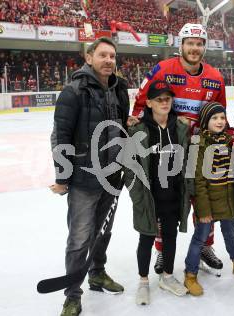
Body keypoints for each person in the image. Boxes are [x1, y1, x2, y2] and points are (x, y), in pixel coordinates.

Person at [129, 23, 226, 275]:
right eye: (190, 43)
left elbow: (220, 114)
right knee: (165, 202)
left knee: (204, 200)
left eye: (200, 43)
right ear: (181, 45)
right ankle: (162, 250)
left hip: (201, 151)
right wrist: (137, 128)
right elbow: (142, 100)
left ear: (204, 46)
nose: (195, 48)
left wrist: (230, 137)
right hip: (168, 150)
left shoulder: (215, 78)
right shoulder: (162, 69)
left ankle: (205, 246)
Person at [50, 37, 129, 316]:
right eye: (103, 55)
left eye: (113, 56)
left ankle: (97, 273)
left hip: (111, 176)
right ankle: (72, 294)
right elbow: (61, 138)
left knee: (102, 230)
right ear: (89, 57)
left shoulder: (120, 90)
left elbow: (121, 130)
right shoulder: (73, 92)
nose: (109, 60)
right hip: (83, 179)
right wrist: (63, 177)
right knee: (80, 237)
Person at [124, 80, 190, 305]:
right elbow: (129, 167)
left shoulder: (180, 127)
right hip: (148, 197)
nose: (164, 102)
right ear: (149, 102)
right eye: (159, 99)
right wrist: (137, 196)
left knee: (170, 236)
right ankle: (143, 282)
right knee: (146, 238)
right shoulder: (138, 129)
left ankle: (168, 277)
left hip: (172, 194)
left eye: (168, 99)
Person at [184, 101, 234, 296]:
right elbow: (198, 179)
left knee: (231, 235)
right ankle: (190, 274)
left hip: (228, 200)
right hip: (208, 204)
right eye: (214, 118)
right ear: (205, 121)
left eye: (222, 117)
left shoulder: (229, 142)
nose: (220, 121)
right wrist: (203, 210)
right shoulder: (198, 144)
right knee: (200, 239)